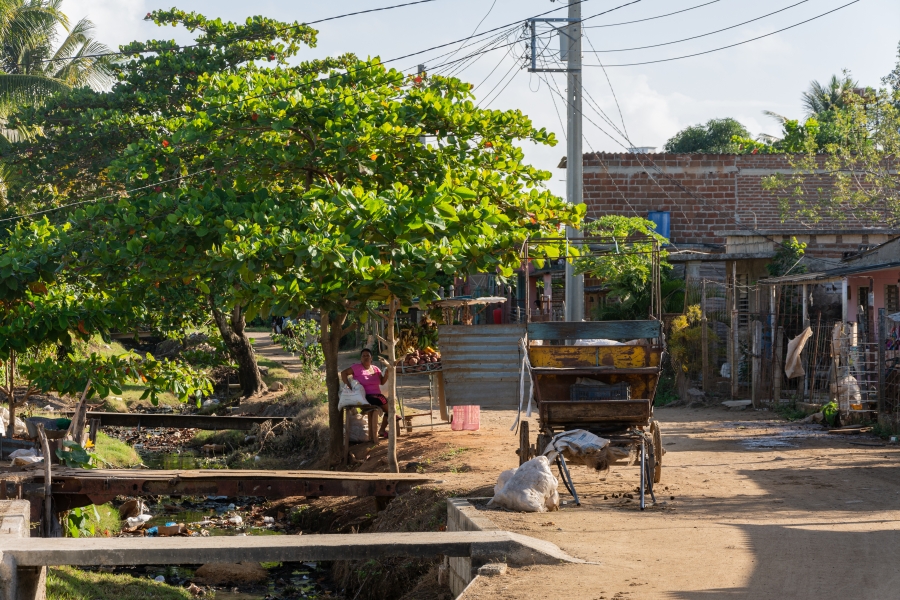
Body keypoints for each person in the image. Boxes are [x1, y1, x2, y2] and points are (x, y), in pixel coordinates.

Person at [341, 348, 394, 439]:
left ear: (371, 358)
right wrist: (349, 386)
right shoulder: (356, 367)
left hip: (376, 397)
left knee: (389, 409)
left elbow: (381, 382)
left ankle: (382, 430)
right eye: (363, 356)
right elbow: (343, 373)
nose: (366, 357)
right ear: (361, 358)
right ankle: (390, 417)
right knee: (384, 401)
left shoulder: (376, 369)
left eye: (367, 356)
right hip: (364, 396)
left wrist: (386, 375)